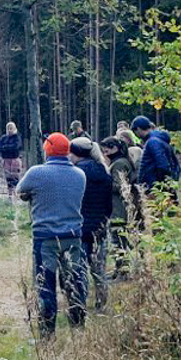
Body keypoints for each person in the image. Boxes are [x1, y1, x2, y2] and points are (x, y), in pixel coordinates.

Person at [17, 133, 88, 338]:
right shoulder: (79, 174)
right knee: (75, 283)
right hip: (73, 236)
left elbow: (20, 191)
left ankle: (47, 335)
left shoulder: (36, 173)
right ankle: (78, 329)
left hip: (46, 238)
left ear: (47, 150)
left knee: (45, 285)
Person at [68, 138, 113, 311]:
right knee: (99, 268)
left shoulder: (76, 172)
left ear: (76, 154)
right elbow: (108, 204)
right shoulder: (104, 170)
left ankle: (80, 303)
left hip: (80, 226)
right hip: (100, 226)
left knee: (79, 267)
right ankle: (102, 303)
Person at [100, 136, 137, 278]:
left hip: (118, 209)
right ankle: (119, 270)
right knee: (119, 241)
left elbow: (121, 186)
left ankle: (123, 272)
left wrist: (105, 183)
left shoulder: (118, 164)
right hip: (121, 208)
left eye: (107, 148)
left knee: (119, 242)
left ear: (116, 148)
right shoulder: (121, 161)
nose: (105, 151)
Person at [131, 116, 181, 197]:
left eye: (134, 132)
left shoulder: (153, 142)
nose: (136, 135)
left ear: (138, 129)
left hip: (155, 191)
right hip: (160, 189)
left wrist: (159, 188)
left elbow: (163, 166)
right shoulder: (158, 140)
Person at [0, 122, 23, 198]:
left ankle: (16, 193)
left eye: (11, 128)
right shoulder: (3, 138)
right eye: (8, 128)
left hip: (14, 159)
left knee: (15, 176)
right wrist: (8, 148)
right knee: (7, 177)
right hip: (6, 159)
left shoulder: (17, 137)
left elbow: (16, 147)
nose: (9, 130)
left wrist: (6, 147)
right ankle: (10, 194)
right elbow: (0, 147)